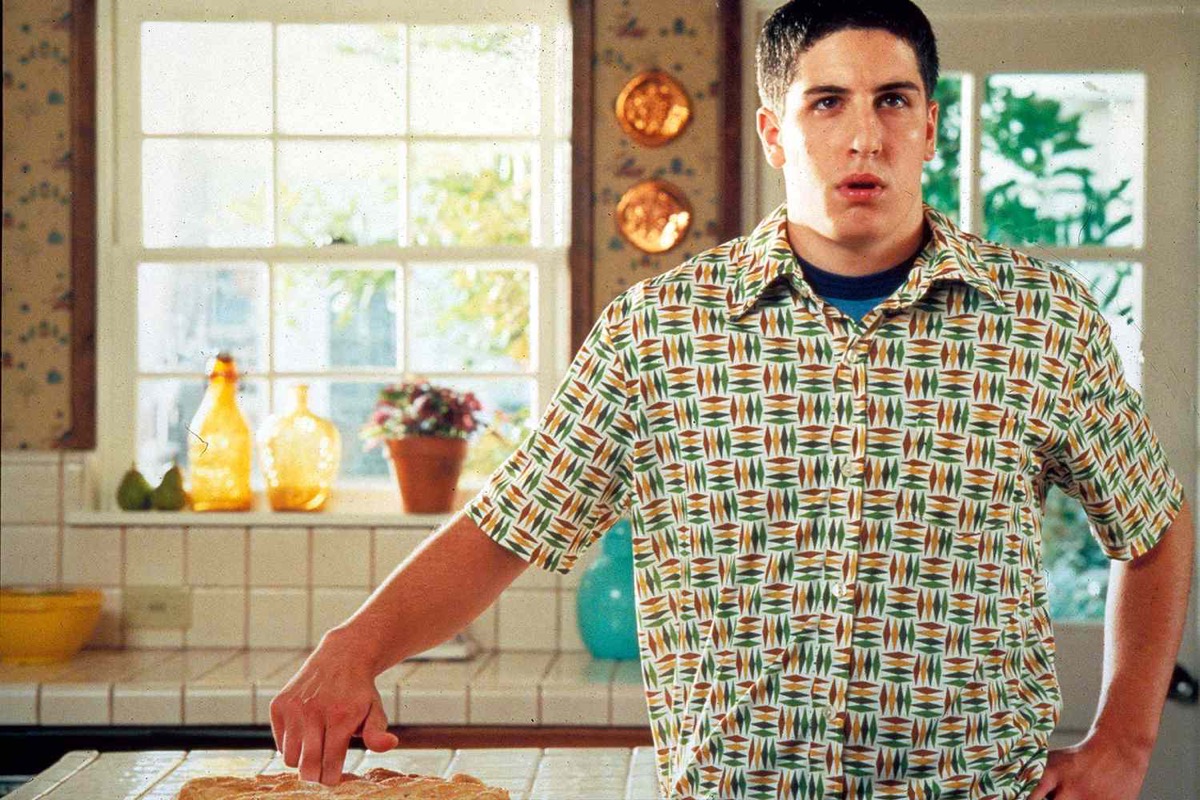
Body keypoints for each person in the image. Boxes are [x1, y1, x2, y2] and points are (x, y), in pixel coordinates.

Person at [270, 1, 1195, 797]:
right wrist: (354, 647)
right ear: (773, 132)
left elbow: (1151, 522)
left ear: (929, 125)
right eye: (826, 102)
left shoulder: (1041, 319)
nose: (864, 137)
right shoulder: (658, 332)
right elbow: (509, 526)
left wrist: (1124, 740)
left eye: (892, 100)